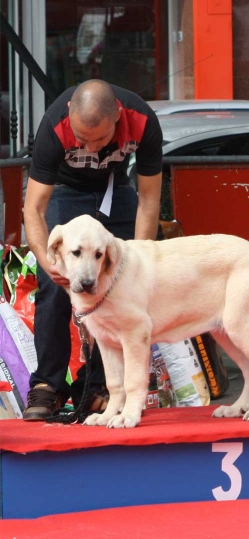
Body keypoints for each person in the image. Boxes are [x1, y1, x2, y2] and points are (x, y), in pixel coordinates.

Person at [23, 79, 162, 420]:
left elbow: (149, 200)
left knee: (122, 284)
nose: (90, 148)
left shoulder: (143, 120)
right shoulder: (54, 126)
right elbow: (34, 209)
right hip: (63, 189)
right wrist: (47, 262)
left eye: (99, 139)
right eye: (82, 139)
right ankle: (48, 386)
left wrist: (139, 255)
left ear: (117, 116)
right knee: (55, 285)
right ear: (70, 113)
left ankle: (99, 383)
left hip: (115, 191)